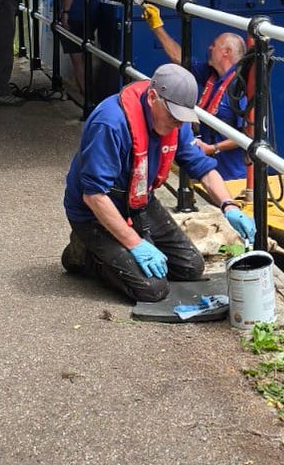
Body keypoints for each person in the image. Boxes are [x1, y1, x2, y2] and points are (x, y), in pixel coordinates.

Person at [62, 63, 256, 302]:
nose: (177, 123)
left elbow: (202, 168)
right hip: (95, 211)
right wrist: (135, 244)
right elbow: (94, 196)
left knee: (191, 268)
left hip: (139, 199)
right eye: (174, 115)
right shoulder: (111, 123)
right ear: (153, 97)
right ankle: (83, 253)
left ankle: (124, 246)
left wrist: (229, 206)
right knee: (152, 290)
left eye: (182, 117)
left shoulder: (175, 122)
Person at [141, 5, 248, 181]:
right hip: (206, 169)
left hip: (233, 177)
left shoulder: (241, 87)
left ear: (226, 52)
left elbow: (249, 137)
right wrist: (156, 26)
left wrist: (213, 148)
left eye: (214, 45)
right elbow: (180, 59)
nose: (209, 47)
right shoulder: (211, 74)